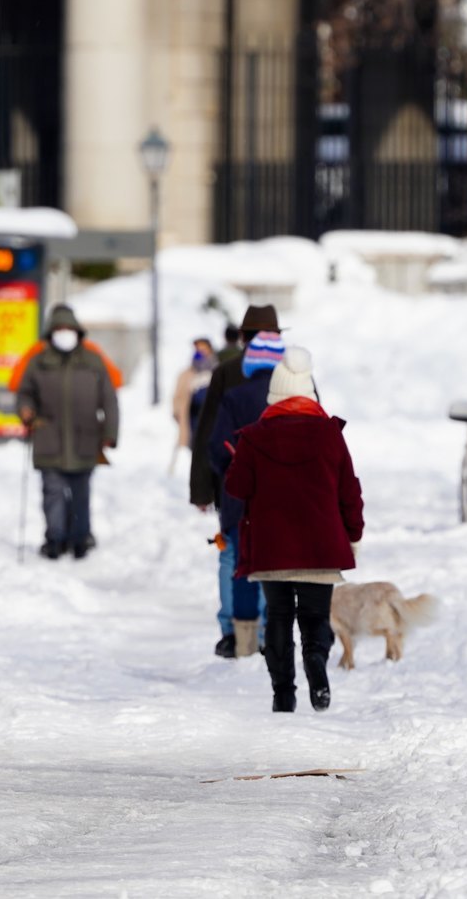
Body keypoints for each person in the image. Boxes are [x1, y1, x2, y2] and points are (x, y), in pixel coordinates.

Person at [224, 347, 364, 713]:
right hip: (319, 548)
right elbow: (349, 490)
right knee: (315, 618)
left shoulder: (254, 437)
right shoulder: (330, 434)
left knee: (280, 617)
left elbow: (236, 488)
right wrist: (355, 533)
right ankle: (316, 661)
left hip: (273, 548)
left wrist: (241, 460)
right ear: (308, 392)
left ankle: (283, 695)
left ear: (275, 394)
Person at [190, 304, 281, 658]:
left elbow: (209, 436)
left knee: (232, 556)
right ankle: (265, 630)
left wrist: (203, 487)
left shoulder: (227, 373)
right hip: (281, 491)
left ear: (242, 338)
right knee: (273, 559)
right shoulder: (295, 376)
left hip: (235, 487)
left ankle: (234, 632)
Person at [16, 303, 120, 560]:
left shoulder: (93, 361)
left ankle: (80, 538)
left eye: (68, 328)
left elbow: (109, 399)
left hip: (85, 439)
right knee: (52, 494)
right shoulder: (38, 362)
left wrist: (110, 432)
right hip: (48, 438)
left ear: (77, 331)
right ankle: (54, 539)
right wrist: (26, 410)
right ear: (51, 332)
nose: (64, 333)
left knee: (80, 494)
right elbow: (24, 394)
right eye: (59, 328)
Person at [171, 337, 217, 451]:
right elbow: (177, 398)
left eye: (203, 348)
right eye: (197, 348)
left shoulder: (218, 371)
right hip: (193, 421)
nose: (200, 351)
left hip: (213, 422)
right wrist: (178, 413)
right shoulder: (186, 374)